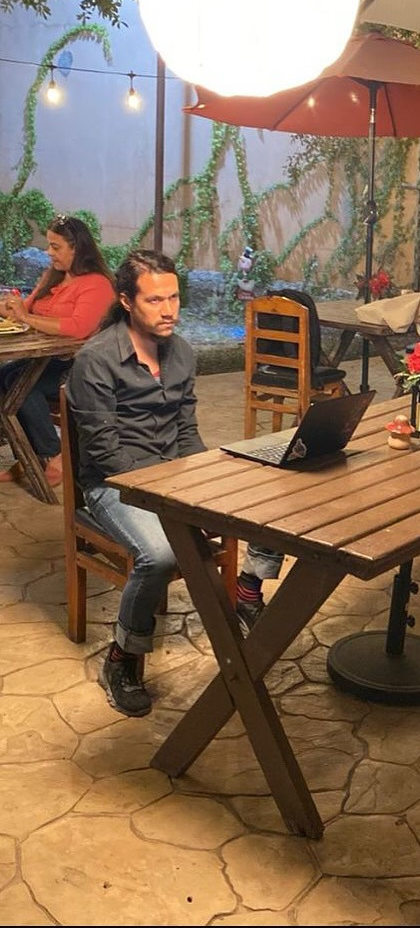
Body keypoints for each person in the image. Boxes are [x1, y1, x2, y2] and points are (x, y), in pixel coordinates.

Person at [65, 250, 283, 718]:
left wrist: (206, 480)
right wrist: (172, 503)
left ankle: (247, 591)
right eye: (154, 300)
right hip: (114, 484)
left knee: (269, 496)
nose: (168, 310)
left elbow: (185, 432)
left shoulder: (181, 352)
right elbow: (104, 452)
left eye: (174, 298)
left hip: (173, 475)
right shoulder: (96, 360)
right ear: (127, 301)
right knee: (160, 555)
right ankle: (122, 658)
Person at [0, 215, 115, 487]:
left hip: (81, 367)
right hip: (47, 358)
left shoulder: (97, 284)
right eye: (49, 245)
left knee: (21, 387)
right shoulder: (53, 277)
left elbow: (77, 328)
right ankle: (28, 456)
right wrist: (11, 308)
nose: (48, 252)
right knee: (3, 379)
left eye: (55, 246)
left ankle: (53, 455)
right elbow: (24, 309)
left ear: (77, 248)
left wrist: (26, 318)